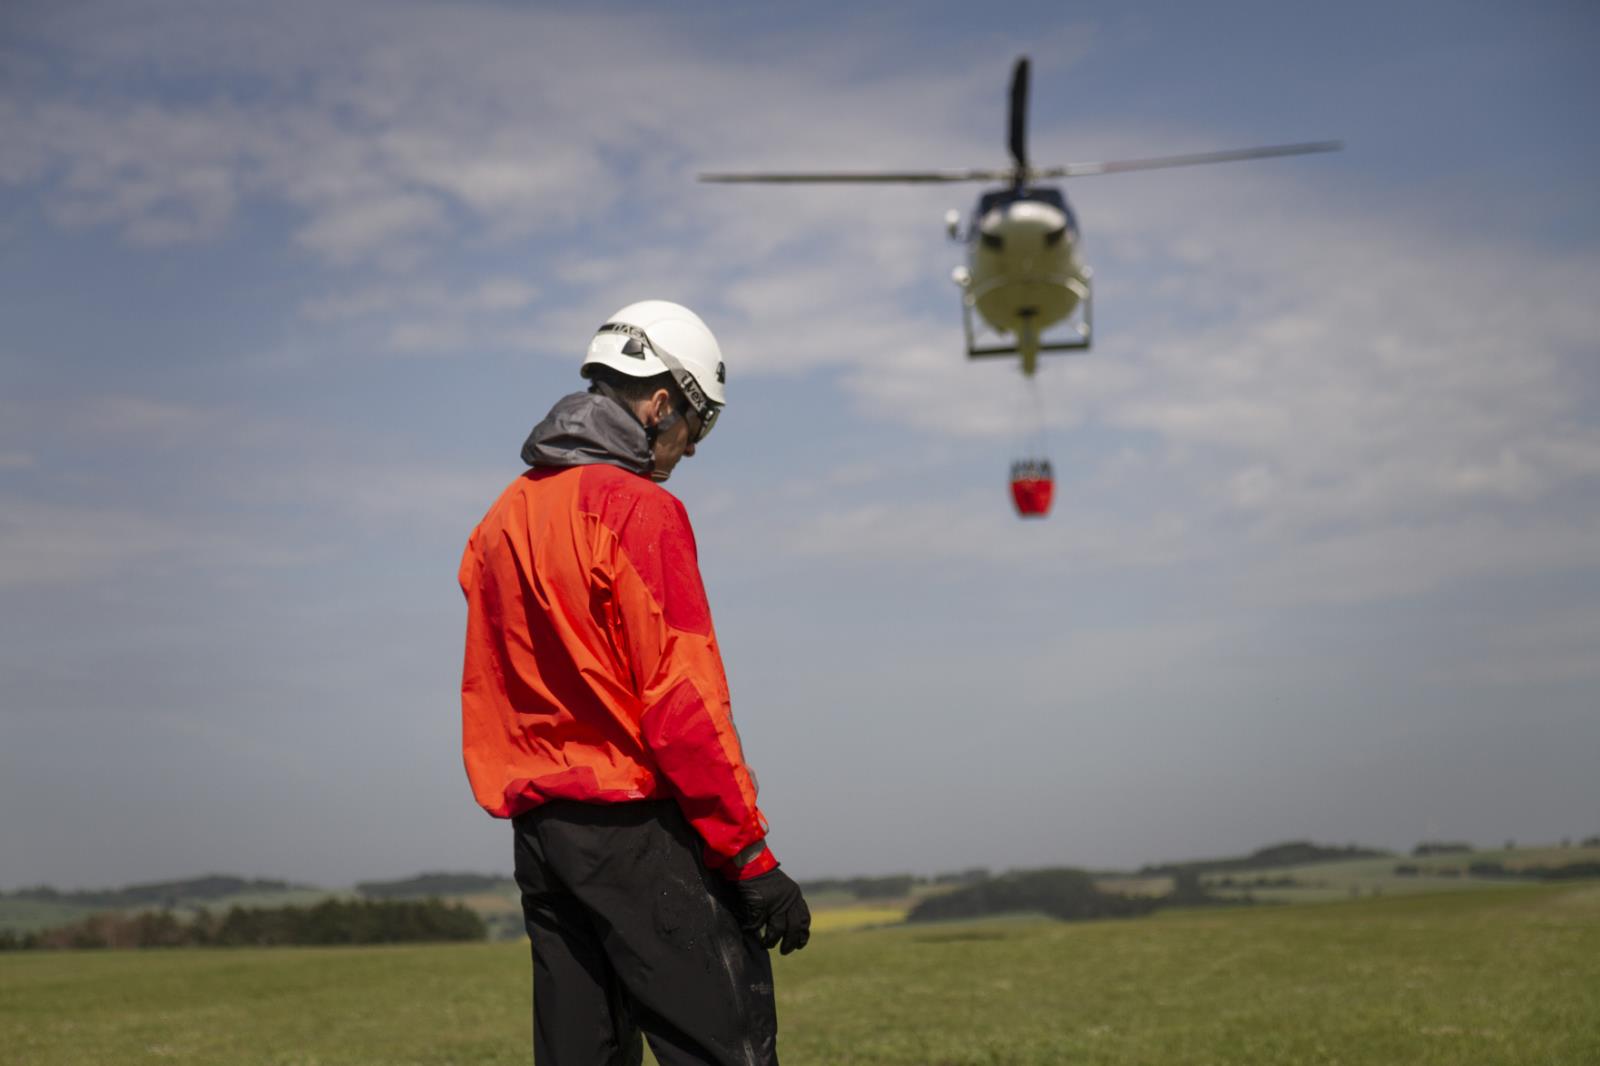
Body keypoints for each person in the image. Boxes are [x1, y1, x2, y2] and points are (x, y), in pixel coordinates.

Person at [458, 300, 810, 1066]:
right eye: (698, 423)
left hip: (543, 839)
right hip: (639, 834)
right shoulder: (640, 511)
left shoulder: (500, 521)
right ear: (660, 403)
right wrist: (750, 856)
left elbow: (493, 691)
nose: (693, 447)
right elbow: (683, 705)